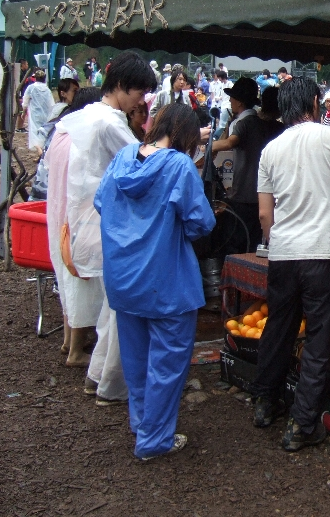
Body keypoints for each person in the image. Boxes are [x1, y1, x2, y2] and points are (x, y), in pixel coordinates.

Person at [251, 77, 330, 450]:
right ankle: (302, 424)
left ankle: (264, 402)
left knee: (279, 327)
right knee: (321, 338)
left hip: (284, 255)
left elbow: (263, 214)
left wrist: (278, 240)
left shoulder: (271, 149)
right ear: (315, 102)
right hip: (321, 254)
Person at [95, 103, 215, 460]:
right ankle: (154, 440)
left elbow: (102, 203)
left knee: (136, 358)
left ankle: (142, 422)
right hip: (167, 281)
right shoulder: (179, 165)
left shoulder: (122, 157)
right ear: (187, 135)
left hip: (123, 277)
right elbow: (201, 222)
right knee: (167, 363)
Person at [55, 51, 157, 405]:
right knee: (121, 307)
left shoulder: (90, 114)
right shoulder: (110, 123)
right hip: (106, 225)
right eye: (139, 93)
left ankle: (99, 374)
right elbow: (144, 162)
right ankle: (110, 384)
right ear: (121, 86)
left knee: (112, 307)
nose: (140, 101)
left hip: (88, 221)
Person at [43, 87, 104, 366]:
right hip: (78, 219)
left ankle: (69, 341)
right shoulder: (80, 138)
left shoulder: (60, 132)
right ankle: (76, 351)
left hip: (58, 217)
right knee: (81, 283)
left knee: (67, 280)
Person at [211, 78, 283, 251]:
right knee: (255, 246)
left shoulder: (246, 123)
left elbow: (228, 143)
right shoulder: (271, 126)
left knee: (237, 246)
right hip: (264, 195)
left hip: (243, 195)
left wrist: (202, 146)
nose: (230, 101)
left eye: (232, 97)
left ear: (240, 101)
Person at [22, 70, 55, 150]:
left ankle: (39, 150)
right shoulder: (47, 89)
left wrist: (23, 112)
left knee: (35, 132)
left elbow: (25, 101)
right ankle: (43, 149)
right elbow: (52, 104)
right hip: (46, 114)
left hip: (34, 114)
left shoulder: (31, 88)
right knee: (44, 132)